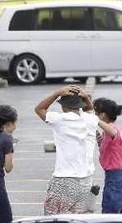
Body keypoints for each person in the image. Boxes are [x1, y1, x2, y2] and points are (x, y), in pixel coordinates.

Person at [35, 85, 101, 215]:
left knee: (53, 220)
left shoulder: (60, 119)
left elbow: (39, 109)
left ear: (63, 105)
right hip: (86, 181)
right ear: (81, 105)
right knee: (80, 221)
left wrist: (56, 93)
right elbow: (90, 109)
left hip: (64, 180)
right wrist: (86, 98)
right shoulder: (92, 119)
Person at [93, 97, 122, 213]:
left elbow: (112, 131)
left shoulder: (113, 128)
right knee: (115, 218)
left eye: (95, 113)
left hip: (117, 182)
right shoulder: (107, 133)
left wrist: (93, 120)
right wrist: (100, 142)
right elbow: (109, 149)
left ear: (103, 115)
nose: (94, 115)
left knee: (108, 218)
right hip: (120, 180)